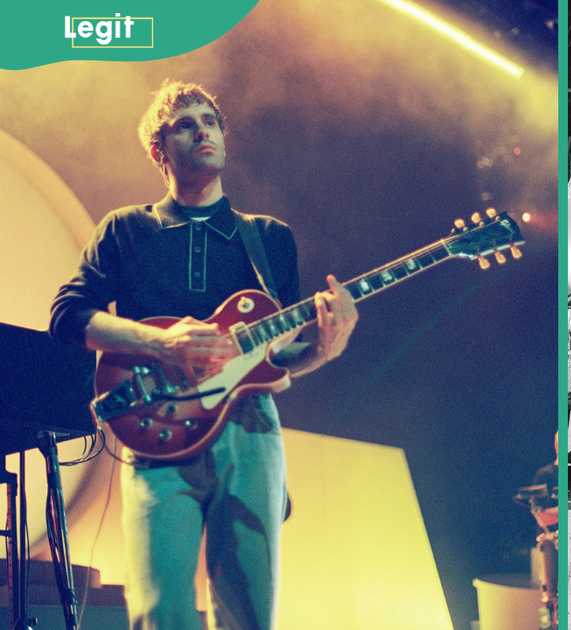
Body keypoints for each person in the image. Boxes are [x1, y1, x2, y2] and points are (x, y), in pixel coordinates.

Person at [50, 80, 359, 629]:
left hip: (249, 428)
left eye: (210, 121)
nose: (203, 131)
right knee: (160, 612)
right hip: (157, 429)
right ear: (159, 150)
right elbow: (68, 315)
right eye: (186, 124)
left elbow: (276, 360)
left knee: (248, 612)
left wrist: (324, 351)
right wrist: (159, 343)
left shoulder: (268, 238)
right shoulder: (126, 228)